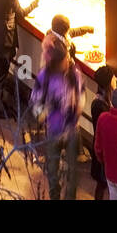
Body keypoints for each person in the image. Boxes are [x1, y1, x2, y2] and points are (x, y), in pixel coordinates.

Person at [29, 26, 84, 201]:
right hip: (53, 129)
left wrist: (77, 110)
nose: (69, 61)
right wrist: (46, 111)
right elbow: (35, 103)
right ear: (57, 61)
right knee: (52, 170)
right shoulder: (44, 77)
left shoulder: (74, 74)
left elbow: (81, 95)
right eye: (65, 59)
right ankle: (54, 195)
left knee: (72, 173)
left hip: (71, 130)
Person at [90, 65, 117, 200]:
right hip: (103, 152)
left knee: (103, 185)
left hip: (102, 151)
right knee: (104, 184)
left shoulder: (101, 102)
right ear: (108, 82)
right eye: (113, 77)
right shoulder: (100, 106)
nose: (116, 79)